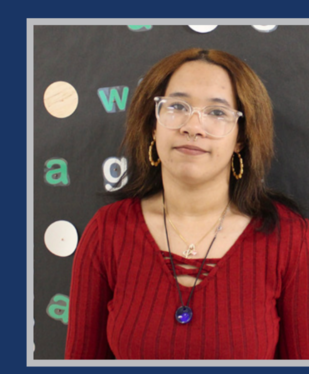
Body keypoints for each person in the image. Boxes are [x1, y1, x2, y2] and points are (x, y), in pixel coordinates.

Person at [65, 48, 309, 359]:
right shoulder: (107, 232)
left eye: (217, 112)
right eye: (177, 106)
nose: (192, 127)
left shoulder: (291, 240)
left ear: (241, 139)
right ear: (153, 125)